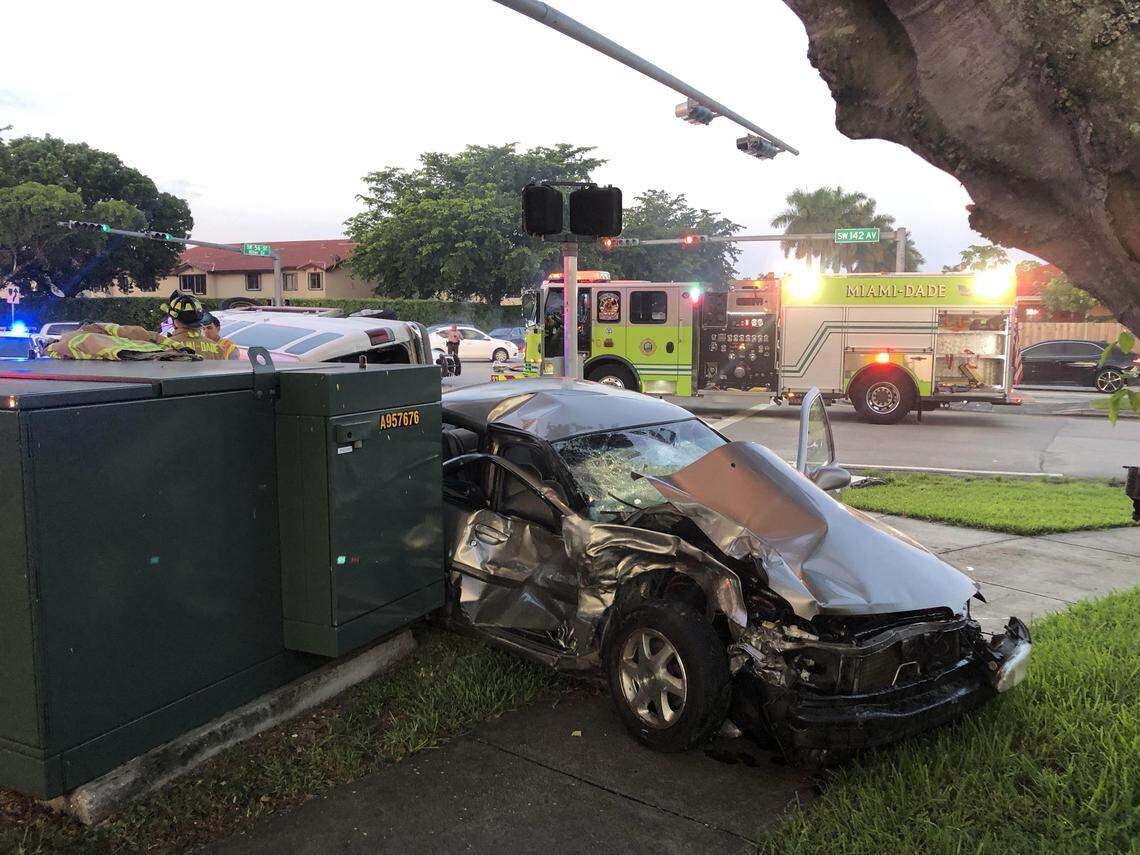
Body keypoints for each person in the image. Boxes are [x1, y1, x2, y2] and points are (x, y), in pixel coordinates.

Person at [165, 295, 240, 360]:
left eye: (209, 328)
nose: (206, 331)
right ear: (200, 319)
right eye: (204, 328)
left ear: (175, 321)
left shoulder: (165, 346)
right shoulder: (218, 349)